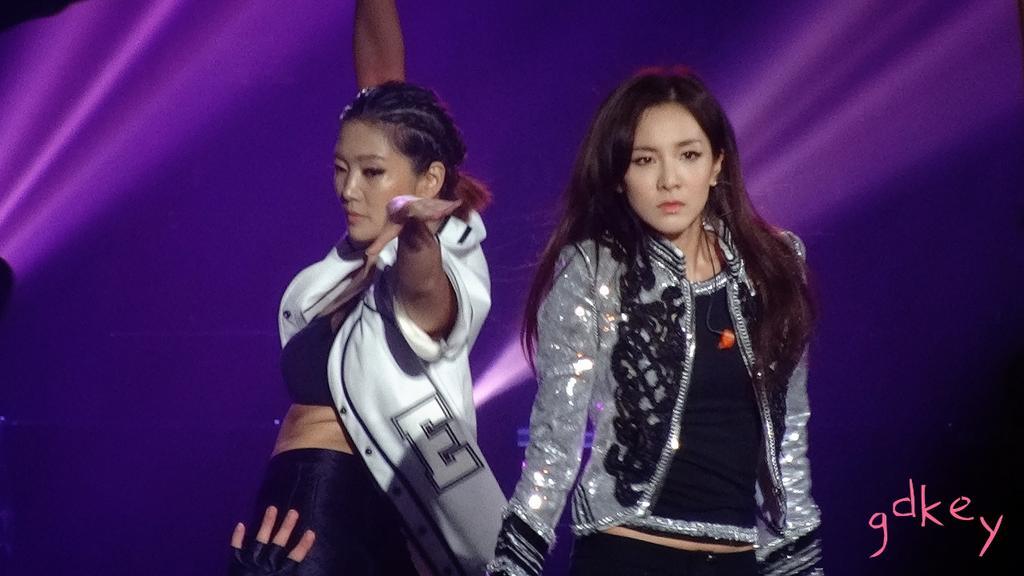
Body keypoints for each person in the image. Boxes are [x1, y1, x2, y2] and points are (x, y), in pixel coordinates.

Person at [487, 68, 823, 576]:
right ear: (619, 176)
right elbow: (555, 442)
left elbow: (788, 437)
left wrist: (800, 566)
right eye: (645, 160)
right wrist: (513, 566)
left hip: (737, 561)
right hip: (628, 555)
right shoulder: (594, 269)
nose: (669, 180)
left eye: (688, 155)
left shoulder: (774, 267)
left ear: (717, 164)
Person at [231, 1, 505, 574]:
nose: (348, 188)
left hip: (342, 503)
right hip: (290, 499)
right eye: (340, 168)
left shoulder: (444, 256)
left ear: (429, 180)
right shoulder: (346, 266)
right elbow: (381, 88)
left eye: (371, 173)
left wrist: (418, 238)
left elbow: (428, 302)